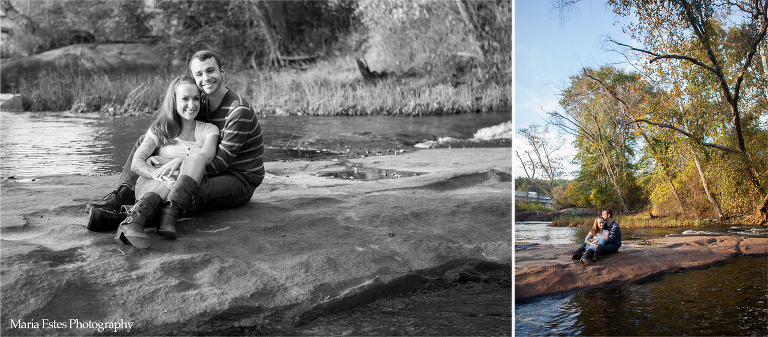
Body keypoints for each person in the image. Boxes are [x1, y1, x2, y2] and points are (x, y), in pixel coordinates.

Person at [87, 50, 265, 247]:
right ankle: (121, 197)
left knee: (187, 188)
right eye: (199, 74)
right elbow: (181, 129)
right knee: (145, 141)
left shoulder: (238, 112)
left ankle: (120, 218)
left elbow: (220, 164)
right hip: (204, 162)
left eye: (210, 71)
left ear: (222, 71)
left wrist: (177, 167)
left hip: (239, 178)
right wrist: (166, 162)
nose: (205, 78)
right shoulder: (201, 100)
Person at [114, 75, 219, 249]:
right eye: (185, 99)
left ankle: (166, 216)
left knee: (196, 158)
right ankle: (135, 221)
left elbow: (206, 157)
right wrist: (157, 174)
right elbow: (137, 162)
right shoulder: (160, 129)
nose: (191, 105)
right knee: (166, 182)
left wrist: (177, 160)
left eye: (195, 99)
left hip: (184, 190)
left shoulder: (209, 129)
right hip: (153, 184)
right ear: (174, 100)